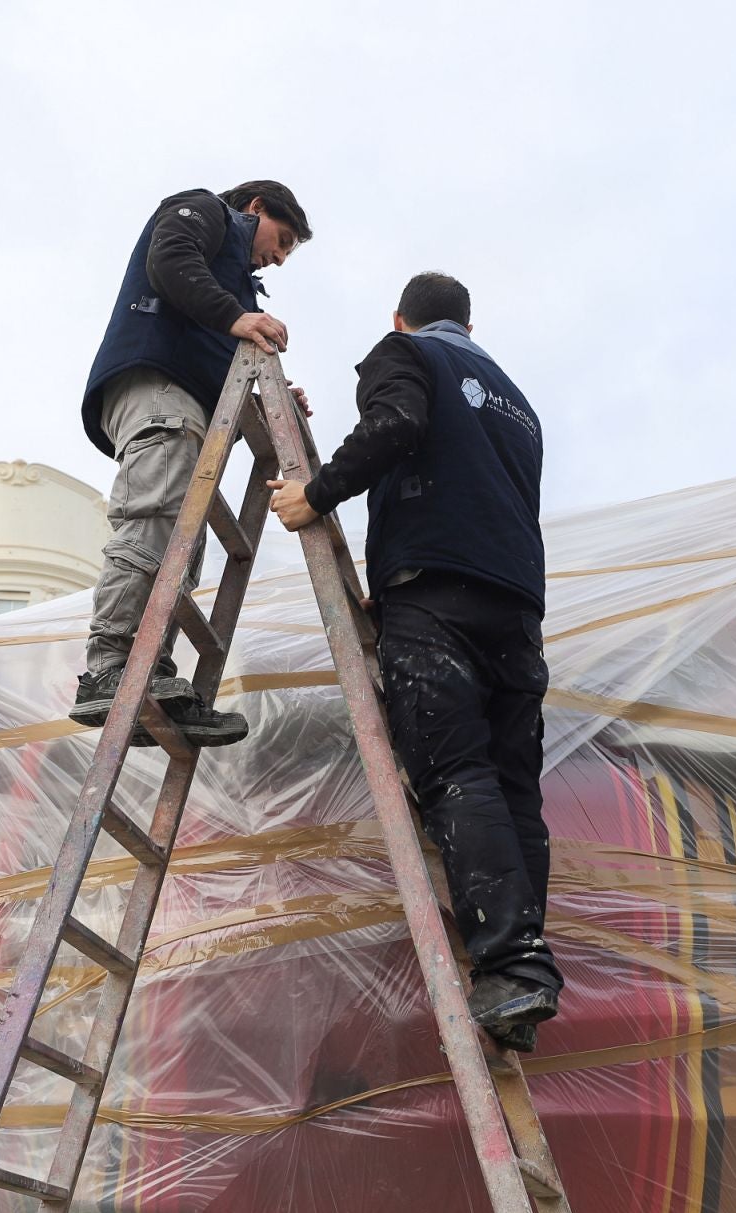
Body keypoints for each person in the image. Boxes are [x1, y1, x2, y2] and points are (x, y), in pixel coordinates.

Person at [266, 272, 559, 1051]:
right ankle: (526, 975)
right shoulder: (518, 402)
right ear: (469, 321)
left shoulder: (405, 353)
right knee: (514, 786)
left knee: (453, 772)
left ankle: (509, 963)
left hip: (437, 591)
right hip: (515, 604)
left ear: (404, 318)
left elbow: (395, 426)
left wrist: (315, 494)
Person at [72, 181, 314, 747]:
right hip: (157, 386)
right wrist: (239, 318)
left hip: (187, 400)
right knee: (155, 517)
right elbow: (171, 261)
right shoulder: (207, 213)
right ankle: (109, 666)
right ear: (255, 209)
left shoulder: (231, 284)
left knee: (181, 536)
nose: (277, 257)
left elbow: (226, 344)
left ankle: (148, 672)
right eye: (281, 240)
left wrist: (272, 392)